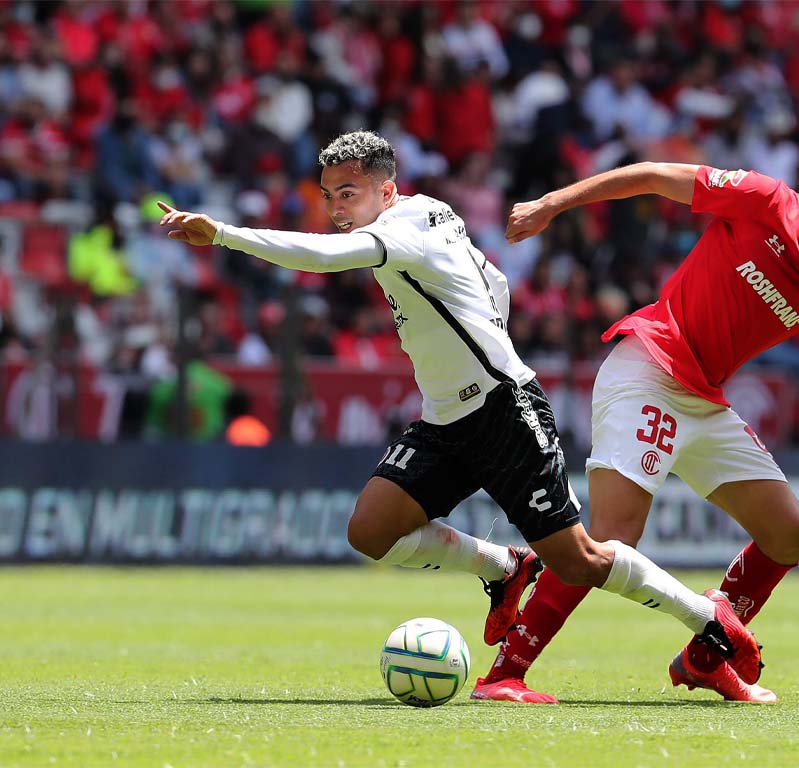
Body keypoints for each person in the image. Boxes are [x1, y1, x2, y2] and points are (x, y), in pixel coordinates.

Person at [158, 130, 764, 690]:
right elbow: (494, 280)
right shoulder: (432, 214)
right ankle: (504, 566)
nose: (336, 208)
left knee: (578, 562)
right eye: (328, 196)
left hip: (504, 413)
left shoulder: (402, 231)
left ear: (385, 190)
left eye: (349, 193)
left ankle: (705, 617)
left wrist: (222, 234)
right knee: (370, 531)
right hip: (447, 419)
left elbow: (320, 260)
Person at [472, 154, 799, 704]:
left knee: (791, 534)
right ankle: (505, 674)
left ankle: (704, 657)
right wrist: (552, 203)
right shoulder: (763, 199)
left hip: (704, 401)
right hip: (648, 366)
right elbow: (648, 175)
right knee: (614, 534)